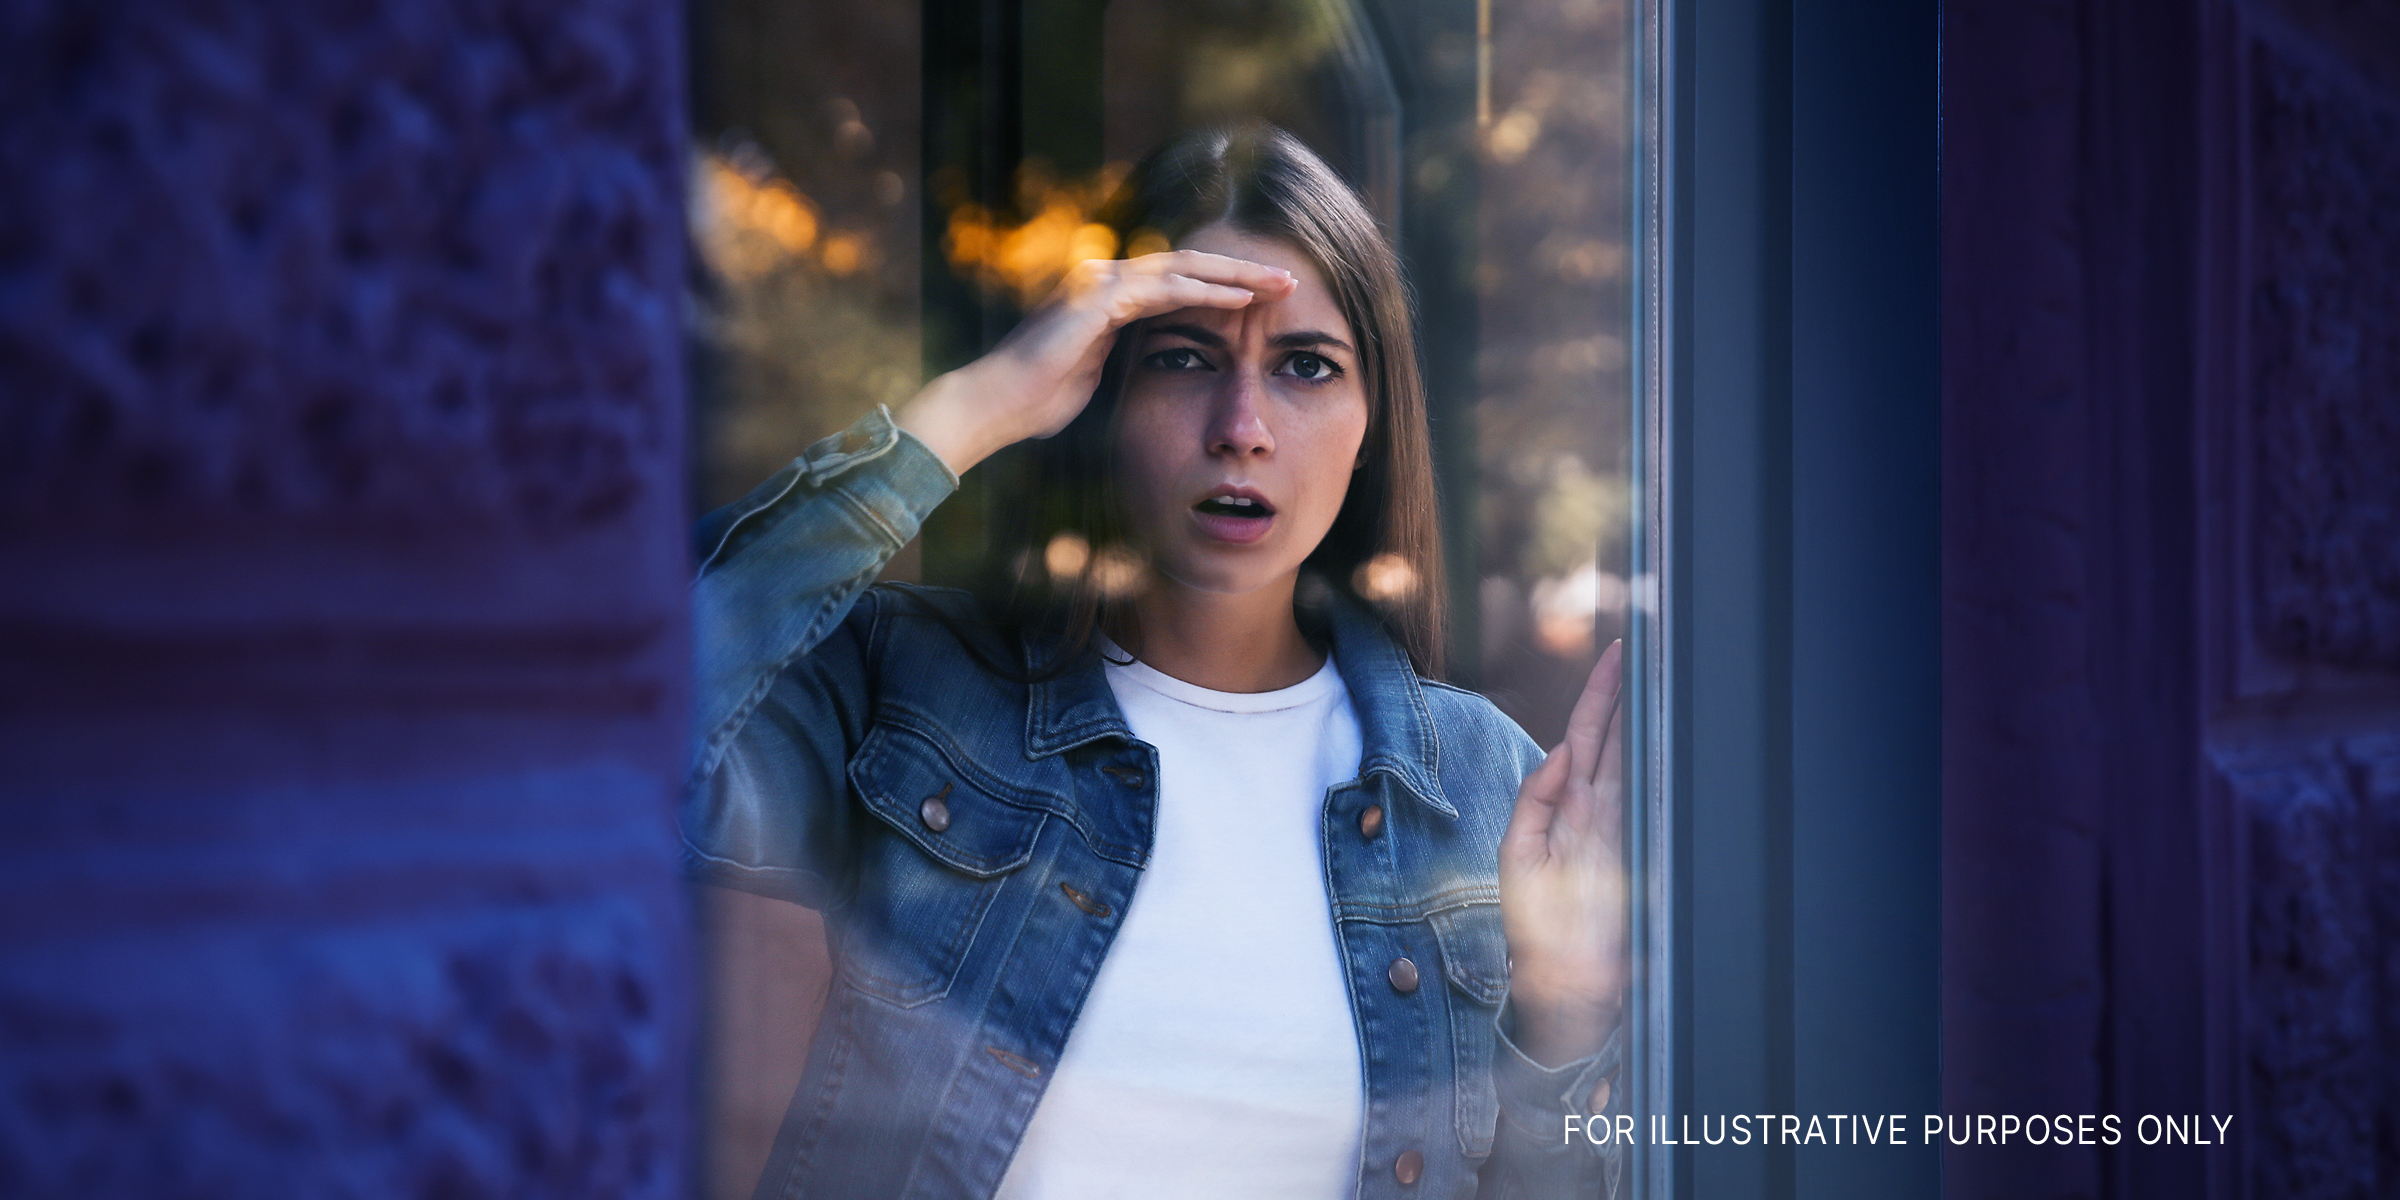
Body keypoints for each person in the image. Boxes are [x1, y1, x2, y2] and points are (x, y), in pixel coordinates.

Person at [684, 124, 1629, 1200]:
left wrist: (1563, 1012)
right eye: (1182, 359)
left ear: (1372, 422)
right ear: (1100, 392)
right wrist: (968, 411)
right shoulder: (911, 688)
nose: (1242, 427)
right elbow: (608, 761)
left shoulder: (1483, 786)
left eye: (1307, 368)